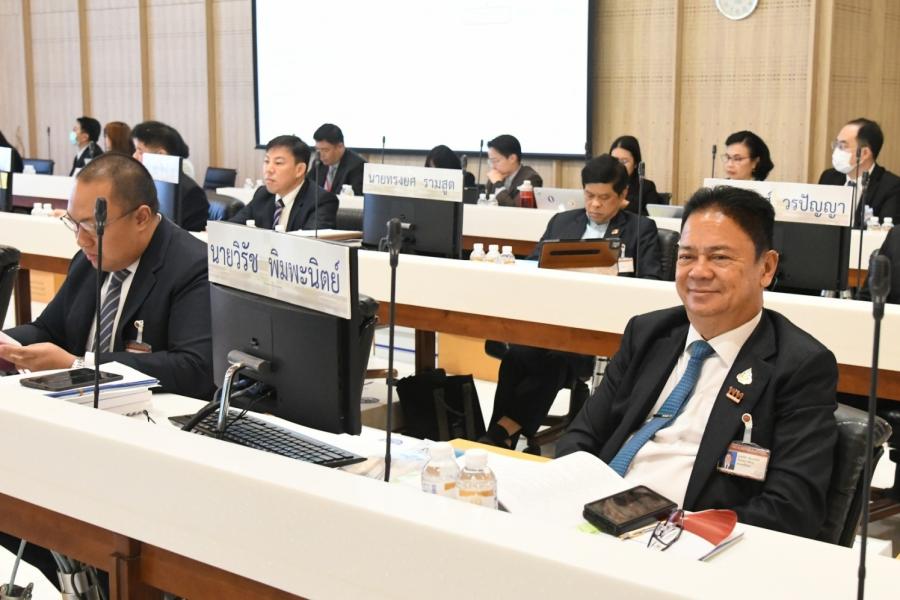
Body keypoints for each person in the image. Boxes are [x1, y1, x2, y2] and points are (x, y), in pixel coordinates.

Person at [558, 185, 838, 539]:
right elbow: (581, 436)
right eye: (687, 256)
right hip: (595, 516)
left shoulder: (798, 365)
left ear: (766, 268)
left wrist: (677, 529)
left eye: (719, 257)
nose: (698, 272)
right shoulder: (648, 333)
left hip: (684, 540)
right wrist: (569, 496)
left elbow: (791, 509)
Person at [482, 155, 662, 450]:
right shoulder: (562, 222)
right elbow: (533, 265)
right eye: (589, 195)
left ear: (623, 195)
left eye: (605, 197)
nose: (595, 204)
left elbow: (652, 282)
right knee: (519, 353)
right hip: (553, 317)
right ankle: (502, 432)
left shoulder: (640, 229)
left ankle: (502, 432)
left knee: (557, 358)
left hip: (602, 328)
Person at [0, 152, 216, 398]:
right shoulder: (87, 260)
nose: (81, 240)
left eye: (92, 226)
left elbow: (192, 368)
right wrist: (6, 343)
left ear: (141, 218)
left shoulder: (193, 267)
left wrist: (79, 366)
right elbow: (49, 330)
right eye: (74, 223)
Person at [231, 135, 338, 231]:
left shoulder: (320, 201)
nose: (269, 169)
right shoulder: (263, 194)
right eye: (267, 161)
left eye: (278, 163)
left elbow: (310, 244)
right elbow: (232, 228)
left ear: (299, 170)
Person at [818, 117, 900, 224]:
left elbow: (886, 229)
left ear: (864, 153)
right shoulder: (829, 177)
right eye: (836, 144)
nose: (836, 151)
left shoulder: (891, 187)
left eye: (842, 146)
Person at [131, 120, 209, 231]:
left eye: (140, 151)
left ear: (161, 155)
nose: (134, 156)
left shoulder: (191, 193)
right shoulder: (143, 184)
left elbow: (192, 237)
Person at [308, 123, 366, 195]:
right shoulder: (318, 163)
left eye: (325, 150)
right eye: (318, 149)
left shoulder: (356, 166)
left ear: (340, 147)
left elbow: (355, 197)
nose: (321, 155)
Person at [485, 134, 543, 206]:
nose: (493, 166)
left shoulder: (531, 178)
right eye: (491, 161)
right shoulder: (496, 175)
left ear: (512, 158)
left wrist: (498, 185)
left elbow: (515, 209)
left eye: (495, 161)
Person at [609, 135, 662, 214]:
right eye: (614, 161)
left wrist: (626, 205)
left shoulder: (646, 187)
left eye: (624, 161)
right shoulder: (603, 185)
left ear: (635, 163)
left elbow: (652, 217)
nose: (618, 166)